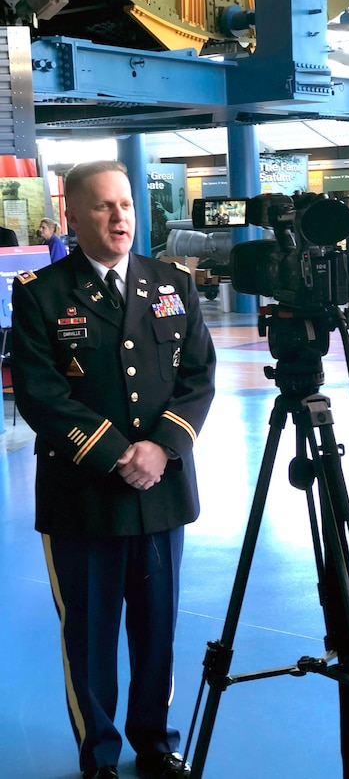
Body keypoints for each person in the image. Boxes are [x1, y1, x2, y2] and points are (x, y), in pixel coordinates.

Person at [11, 160, 216, 779]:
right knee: (92, 636)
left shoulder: (173, 283)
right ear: (73, 214)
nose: (120, 216)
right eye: (102, 206)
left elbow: (198, 377)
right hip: (83, 496)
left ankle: (154, 742)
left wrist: (162, 448)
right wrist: (113, 455)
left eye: (125, 204)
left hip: (161, 493)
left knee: (157, 633)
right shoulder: (42, 294)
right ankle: (98, 753)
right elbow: (41, 393)